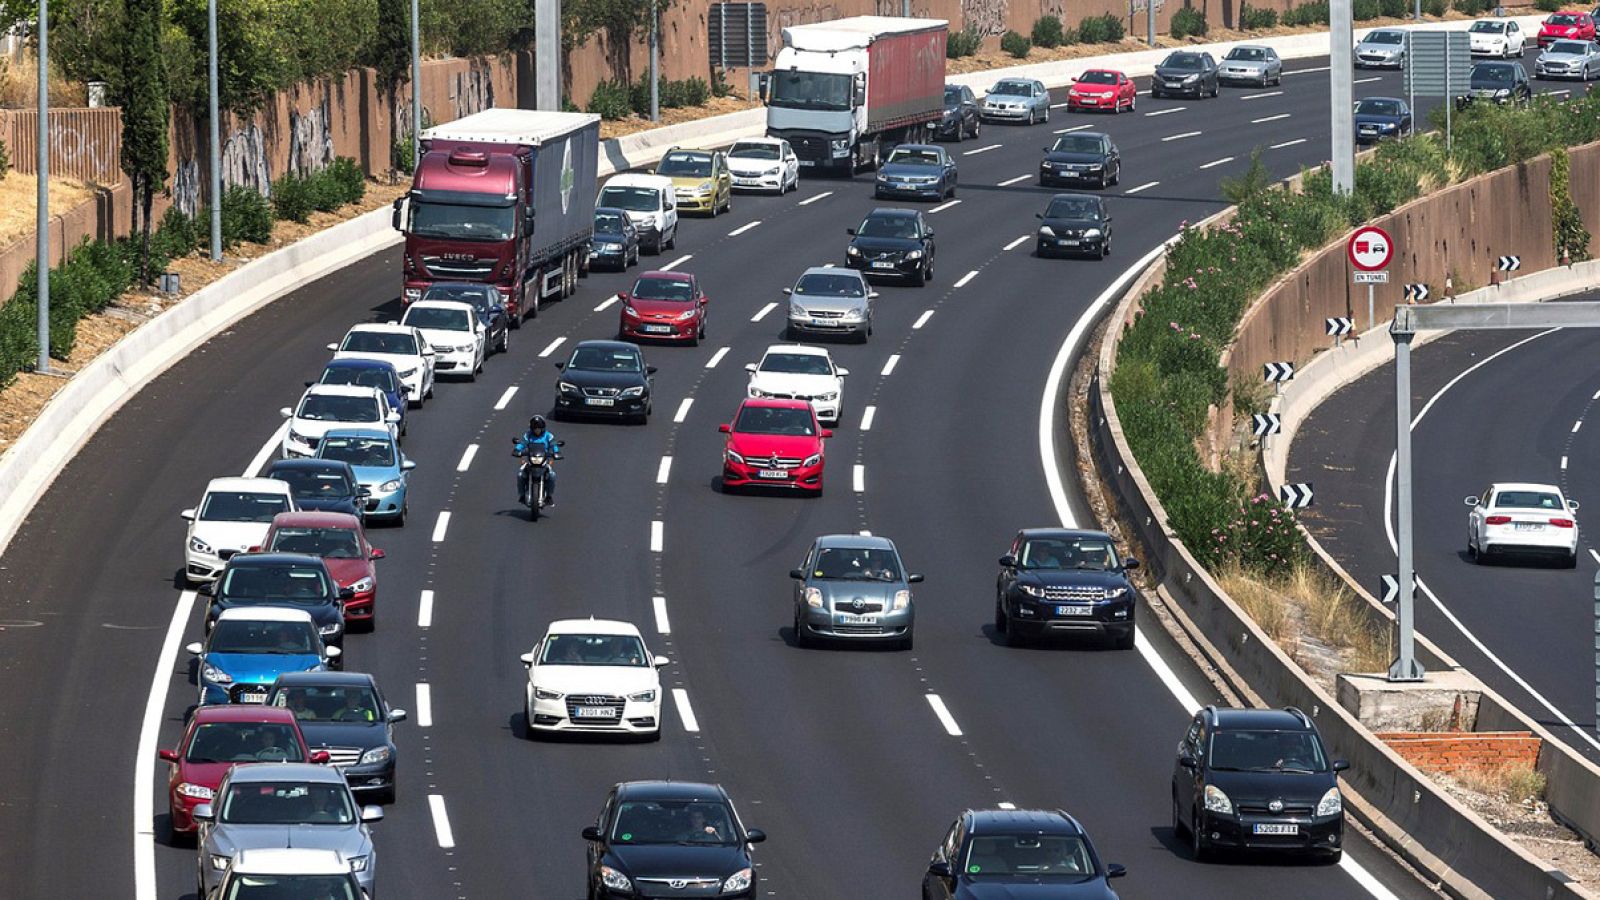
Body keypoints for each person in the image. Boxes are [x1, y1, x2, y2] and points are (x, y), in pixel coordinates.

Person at [513, 415, 562, 507]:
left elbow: (554, 445)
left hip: (544, 462)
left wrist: (556, 452)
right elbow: (522, 443)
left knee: (552, 475)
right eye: (535, 429)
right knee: (520, 475)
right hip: (530, 461)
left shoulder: (548, 436)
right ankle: (522, 495)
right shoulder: (527, 435)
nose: (537, 430)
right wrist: (517, 450)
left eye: (539, 429)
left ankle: (549, 496)